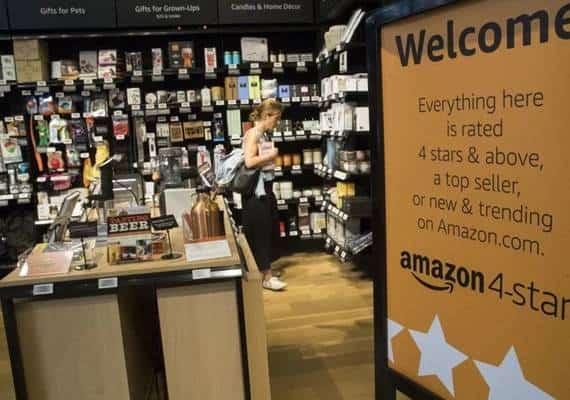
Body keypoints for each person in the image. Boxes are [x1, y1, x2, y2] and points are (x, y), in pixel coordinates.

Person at [242, 99, 287, 291]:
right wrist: (270, 156)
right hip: (256, 193)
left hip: (264, 190)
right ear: (267, 116)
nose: (277, 122)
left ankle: (264, 271)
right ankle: (266, 278)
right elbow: (249, 162)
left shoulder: (263, 134)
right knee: (260, 233)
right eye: (276, 118)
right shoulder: (254, 134)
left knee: (267, 230)